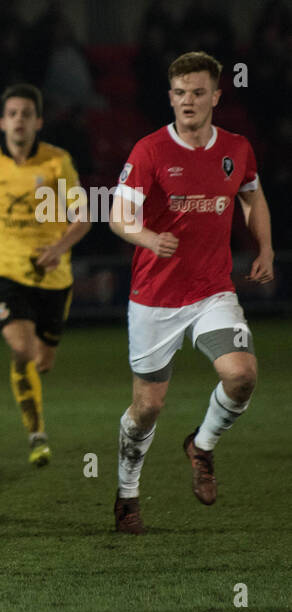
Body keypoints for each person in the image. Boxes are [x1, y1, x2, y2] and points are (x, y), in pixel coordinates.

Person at [106, 52, 274, 534]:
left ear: (216, 97)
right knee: (147, 409)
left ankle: (201, 445)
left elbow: (252, 195)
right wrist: (146, 238)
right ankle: (127, 493)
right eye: (180, 93)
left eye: (198, 92)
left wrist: (265, 246)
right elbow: (119, 216)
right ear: (170, 97)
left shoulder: (237, 148)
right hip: (154, 298)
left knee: (241, 376)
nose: (188, 101)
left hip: (212, 292)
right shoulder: (150, 151)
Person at [0, 84, 90, 466]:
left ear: (38, 121)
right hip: (5, 270)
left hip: (53, 276)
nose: (19, 120)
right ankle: (37, 434)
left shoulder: (56, 162)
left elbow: (83, 214)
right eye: (12, 113)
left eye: (26, 114)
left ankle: (34, 396)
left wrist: (59, 248)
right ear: (1, 122)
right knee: (22, 350)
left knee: (43, 361)